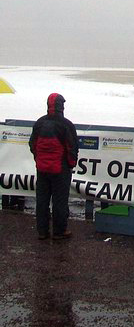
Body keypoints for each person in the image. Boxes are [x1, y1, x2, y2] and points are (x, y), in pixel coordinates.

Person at [28, 93, 78, 240]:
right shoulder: (66, 125)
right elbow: (72, 147)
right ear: (61, 107)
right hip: (60, 169)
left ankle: (42, 231)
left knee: (42, 200)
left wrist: (38, 159)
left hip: (42, 169)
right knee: (59, 201)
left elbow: (32, 144)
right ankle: (59, 231)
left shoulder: (39, 123)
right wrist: (71, 164)